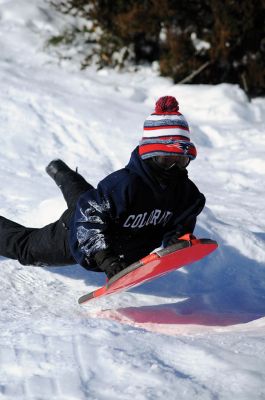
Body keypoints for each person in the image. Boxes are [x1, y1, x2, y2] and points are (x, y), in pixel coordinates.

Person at [0, 96, 205, 279]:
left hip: (100, 213)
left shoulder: (185, 193)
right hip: (78, 231)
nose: (173, 168)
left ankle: (60, 171)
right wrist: (107, 260)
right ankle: (60, 173)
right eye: (165, 159)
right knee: (25, 248)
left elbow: (181, 221)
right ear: (149, 155)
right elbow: (88, 217)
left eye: (180, 160)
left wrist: (176, 244)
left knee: (90, 197)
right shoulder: (126, 183)